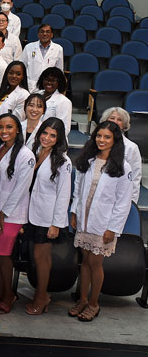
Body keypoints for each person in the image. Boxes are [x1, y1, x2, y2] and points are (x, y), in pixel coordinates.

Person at [69, 121, 132, 322]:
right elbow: (78, 190)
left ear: (115, 141)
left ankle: (94, 304)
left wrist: (112, 229)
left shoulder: (122, 166)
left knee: (95, 264)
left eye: (107, 137)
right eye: (99, 136)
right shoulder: (88, 160)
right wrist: (74, 212)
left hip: (103, 225)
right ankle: (83, 299)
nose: (101, 140)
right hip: (84, 221)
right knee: (84, 262)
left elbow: (123, 202)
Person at [0, 114, 34, 315]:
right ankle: (1, 291)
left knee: (4, 257)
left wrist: (3, 214)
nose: (4, 131)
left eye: (9, 127)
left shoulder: (26, 155)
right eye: (0, 127)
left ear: (18, 130)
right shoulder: (0, 148)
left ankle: (9, 296)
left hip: (9, 215)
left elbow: (21, 189)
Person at [25, 117, 71, 315]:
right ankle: (42, 294)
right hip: (31, 214)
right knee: (38, 257)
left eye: (53, 135)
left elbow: (64, 194)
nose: (47, 138)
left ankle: (41, 296)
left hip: (48, 217)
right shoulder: (34, 153)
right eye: (45, 133)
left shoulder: (63, 161)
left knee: (40, 257)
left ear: (59, 139)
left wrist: (56, 224)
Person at [101, 107, 142, 205]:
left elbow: (135, 178)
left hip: (119, 197)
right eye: (112, 118)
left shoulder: (132, 147)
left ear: (124, 125)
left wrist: (131, 203)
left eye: (119, 120)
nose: (115, 122)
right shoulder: (95, 143)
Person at [20, 24, 63, 91]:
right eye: (42, 31)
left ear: (52, 35)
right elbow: (21, 67)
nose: (44, 34)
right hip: (30, 86)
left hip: (48, 86)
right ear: (38, 34)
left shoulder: (58, 49)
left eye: (47, 32)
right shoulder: (29, 47)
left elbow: (59, 70)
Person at [35, 67, 71, 136]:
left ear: (59, 82)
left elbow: (65, 129)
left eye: (53, 80)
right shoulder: (36, 95)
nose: (49, 83)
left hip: (52, 141)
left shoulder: (64, 101)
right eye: (46, 79)